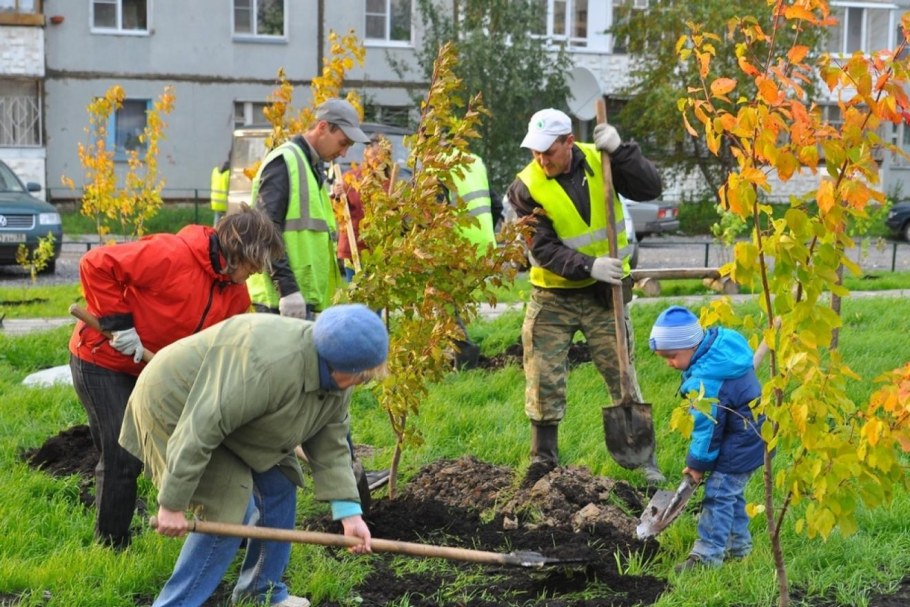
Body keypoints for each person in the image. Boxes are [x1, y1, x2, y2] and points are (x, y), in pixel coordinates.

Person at [119, 304, 387, 607]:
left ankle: (260, 592)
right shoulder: (269, 367)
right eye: (362, 377)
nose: (362, 383)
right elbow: (200, 429)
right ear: (339, 364)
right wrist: (172, 504)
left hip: (237, 415)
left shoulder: (337, 373)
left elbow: (331, 443)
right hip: (175, 404)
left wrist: (350, 514)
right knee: (227, 509)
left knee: (281, 482)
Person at [68, 205, 285, 549]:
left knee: (197, 444)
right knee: (122, 452)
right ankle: (112, 546)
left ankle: (225, 532)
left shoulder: (235, 295)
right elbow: (96, 264)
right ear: (237, 252)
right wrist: (120, 325)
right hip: (103, 359)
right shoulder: (171, 254)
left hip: (157, 372)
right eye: (253, 265)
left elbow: (229, 348)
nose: (255, 274)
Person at [505, 107, 665, 484]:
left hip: (604, 294)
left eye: (549, 151)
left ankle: (644, 459)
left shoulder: (603, 159)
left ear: (569, 142)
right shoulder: (525, 187)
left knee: (621, 372)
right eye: (535, 152)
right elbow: (541, 248)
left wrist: (623, 152)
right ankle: (542, 460)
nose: (541, 160)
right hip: (553, 296)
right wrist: (589, 265)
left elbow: (650, 188)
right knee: (543, 376)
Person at [648, 305, 765, 572]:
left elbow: (707, 429)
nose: (669, 363)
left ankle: (707, 556)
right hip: (749, 433)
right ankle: (739, 548)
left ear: (692, 346)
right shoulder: (720, 348)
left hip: (740, 442)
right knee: (730, 493)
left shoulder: (706, 382)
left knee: (718, 495)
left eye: (672, 356)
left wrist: (697, 464)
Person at [247, 98, 370, 320]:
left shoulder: (311, 166)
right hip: (281, 300)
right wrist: (287, 288)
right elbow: (265, 229)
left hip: (300, 298)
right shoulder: (285, 161)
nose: (344, 153)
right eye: (343, 143)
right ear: (322, 127)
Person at [446, 149, 497, 369]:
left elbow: (430, 216)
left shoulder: (435, 166)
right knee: (450, 303)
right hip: (483, 245)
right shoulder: (475, 162)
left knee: (442, 303)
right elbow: (497, 204)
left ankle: (465, 354)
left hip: (455, 248)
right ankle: (453, 355)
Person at [336, 133, 392, 282]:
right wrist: (338, 195)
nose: (377, 159)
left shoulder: (389, 183)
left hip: (379, 250)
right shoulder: (351, 178)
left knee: (377, 292)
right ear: (365, 153)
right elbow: (339, 209)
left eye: (381, 155)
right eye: (373, 154)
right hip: (354, 248)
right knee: (356, 289)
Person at [210, 155, 230, 226]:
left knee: (217, 223)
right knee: (227, 224)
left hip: (216, 202)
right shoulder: (230, 173)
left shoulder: (215, 170)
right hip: (226, 203)